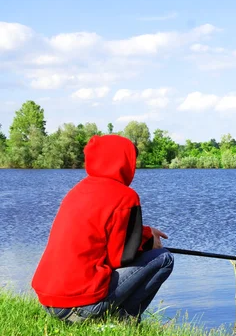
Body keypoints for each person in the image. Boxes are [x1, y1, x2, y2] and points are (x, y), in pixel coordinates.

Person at [31, 134, 174, 323]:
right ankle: (124, 321)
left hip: (49, 302)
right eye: (132, 161)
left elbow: (100, 232)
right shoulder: (126, 196)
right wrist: (148, 243)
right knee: (164, 258)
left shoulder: (78, 190)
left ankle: (112, 319)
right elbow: (120, 258)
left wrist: (145, 233)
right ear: (123, 162)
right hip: (81, 306)